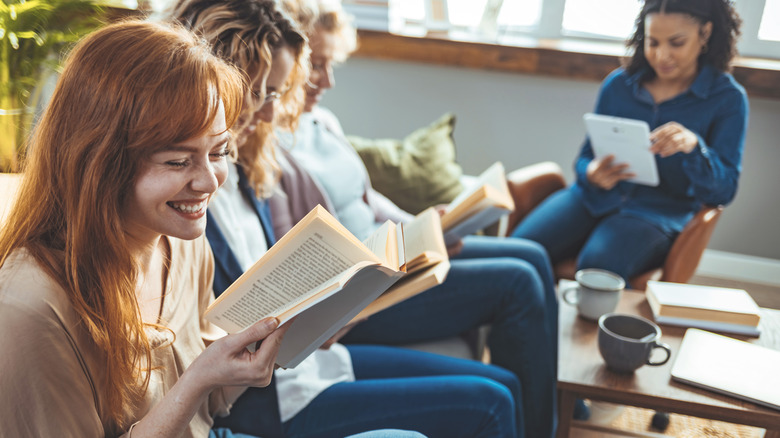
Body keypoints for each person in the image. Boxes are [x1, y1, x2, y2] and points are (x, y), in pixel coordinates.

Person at [168, 1, 522, 437]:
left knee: (502, 385)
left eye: (274, 93)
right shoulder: (183, 199)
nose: (266, 112)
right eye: (258, 91)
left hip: (308, 364)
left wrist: (331, 311)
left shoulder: (244, 167)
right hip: (268, 400)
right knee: (490, 403)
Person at [271, 1, 559, 437]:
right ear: (289, 60)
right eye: (318, 65)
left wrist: (425, 226)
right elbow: (295, 261)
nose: (327, 81)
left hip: (392, 250)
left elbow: (366, 198)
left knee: (533, 255)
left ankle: (546, 409)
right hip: (366, 282)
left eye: (333, 64)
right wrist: (390, 255)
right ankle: (540, 428)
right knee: (518, 282)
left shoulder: (321, 121)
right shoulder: (271, 150)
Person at [0, 20, 288, 437]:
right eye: (178, 161)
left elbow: (212, 402)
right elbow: (198, 388)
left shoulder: (181, 240)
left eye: (219, 152)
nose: (209, 182)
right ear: (99, 164)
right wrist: (197, 382)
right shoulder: (30, 310)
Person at [510, 0, 748, 289]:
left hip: (655, 215)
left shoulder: (728, 99)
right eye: (653, 42)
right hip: (592, 198)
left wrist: (694, 147)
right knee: (515, 252)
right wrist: (592, 172)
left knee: (597, 268)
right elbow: (585, 157)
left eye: (676, 43)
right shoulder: (618, 86)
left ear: (705, 33)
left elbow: (724, 190)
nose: (662, 55)